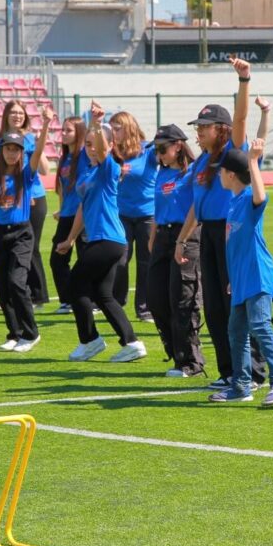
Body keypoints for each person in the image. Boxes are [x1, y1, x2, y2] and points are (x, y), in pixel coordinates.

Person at [175, 57, 266, 390]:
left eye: (205, 126)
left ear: (221, 129)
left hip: (230, 232)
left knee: (235, 303)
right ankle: (228, 370)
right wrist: (181, 240)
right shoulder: (202, 161)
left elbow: (241, 116)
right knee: (213, 306)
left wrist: (244, 81)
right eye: (198, 127)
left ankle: (253, 372)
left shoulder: (231, 151)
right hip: (207, 235)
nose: (199, 131)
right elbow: (196, 208)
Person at [55, 101, 146, 362]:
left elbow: (105, 149)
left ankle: (90, 340)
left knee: (75, 285)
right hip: (100, 239)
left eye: (94, 143)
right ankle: (132, 343)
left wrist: (96, 123)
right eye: (88, 143)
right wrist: (70, 239)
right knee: (103, 294)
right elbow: (83, 208)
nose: (89, 146)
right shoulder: (89, 173)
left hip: (108, 239)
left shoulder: (109, 169)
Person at [208, 139, 273, 406]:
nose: (218, 175)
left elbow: (261, 196)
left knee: (259, 325)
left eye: (220, 171)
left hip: (258, 274)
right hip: (242, 279)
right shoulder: (232, 203)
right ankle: (241, 386)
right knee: (236, 331)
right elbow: (234, 246)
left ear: (231, 174)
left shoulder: (247, 198)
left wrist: (254, 161)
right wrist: (233, 279)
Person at [0, 107, 56, 353]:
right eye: (8, 149)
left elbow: (40, 152)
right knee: (3, 289)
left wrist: (44, 125)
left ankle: (31, 333)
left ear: (22, 153)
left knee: (16, 282)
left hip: (22, 233)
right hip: (0, 234)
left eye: (16, 150)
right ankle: (14, 333)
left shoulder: (26, 175)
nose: (11, 154)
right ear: (1, 151)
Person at [147, 123, 205, 378]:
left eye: (162, 148)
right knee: (156, 299)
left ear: (178, 145)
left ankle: (190, 361)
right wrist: (153, 237)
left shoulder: (192, 172)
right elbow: (158, 209)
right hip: (162, 235)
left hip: (187, 234)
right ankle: (175, 352)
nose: (158, 155)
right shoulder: (161, 173)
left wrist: (184, 238)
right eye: (156, 150)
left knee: (182, 298)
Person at [0, 99, 50, 309]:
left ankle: (37, 295)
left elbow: (45, 170)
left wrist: (35, 146)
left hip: (33, 199)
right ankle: (15, 292)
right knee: (10, 250)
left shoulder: (31, 139)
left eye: (21, 113)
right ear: (6, 115)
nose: (17, 116)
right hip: (9, 202)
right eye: (13, 112)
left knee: (29, 248)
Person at [109, 111, 157, 321]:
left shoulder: (148, 150)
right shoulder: (113, 152)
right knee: (120, 259)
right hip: (122, 215)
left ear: (129, 127)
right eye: (111, 128)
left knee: (146, 262)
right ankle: (116, 303)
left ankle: (144, 308)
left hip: (148, 214)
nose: (113, 132)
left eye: (117, 128)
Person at [49, 116, 88, 315]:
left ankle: (86, 299)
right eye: (62, 130)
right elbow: (64, 188)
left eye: (68, 130)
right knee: (57, 258)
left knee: (85, 259)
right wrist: (61, 208)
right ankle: (68, 300)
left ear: (79, 132)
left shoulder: (84, 156)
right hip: (67, 214)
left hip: (83, 215)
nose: (63, 134)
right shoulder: (65, 157)